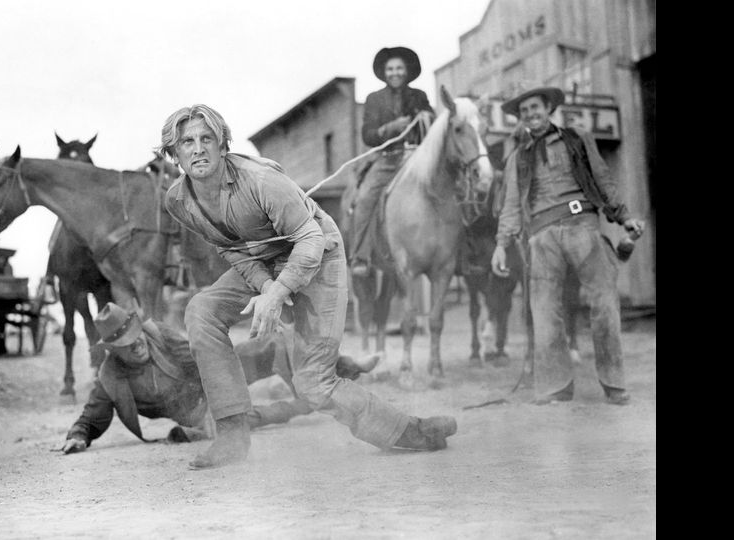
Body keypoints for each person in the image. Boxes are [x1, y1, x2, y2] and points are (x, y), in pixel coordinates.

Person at [159, 104, 457, 469]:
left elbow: (310, 239)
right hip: (265, 261)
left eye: (207, 139)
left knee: (312, 383)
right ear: (173, 153)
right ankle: (232, 434)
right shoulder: (178, 200)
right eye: (186, 142)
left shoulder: (261, 180)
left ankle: (412, 431)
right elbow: (229, 248)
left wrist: (277, 292)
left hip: (318, 254)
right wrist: (266, 286)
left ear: (223, 145)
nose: (198, 149)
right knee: (201, 310)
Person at [490, 82, 645, 406]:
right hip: (542, 237)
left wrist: (623, 216)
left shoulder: (577, 138)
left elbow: (602, 178)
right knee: (544, 310)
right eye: (524, 110)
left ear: (549, 108)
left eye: (535, 107)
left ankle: (614, 384)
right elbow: (512, 205)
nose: (530, 114)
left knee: (605, 303)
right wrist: (502, 243)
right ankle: (554, 387)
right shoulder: (517, 157)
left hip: (582, 226)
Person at [61, 302, 380, 454]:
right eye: (127, 345)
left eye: (136, 334)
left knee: (272, 344)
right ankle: (307, 404)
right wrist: (78, 435)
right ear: (114, 351)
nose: (137, 344)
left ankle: (347, 367)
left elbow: (198, 354)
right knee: (249, 417)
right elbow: (91, 416)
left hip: (209, 377)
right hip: (198, 415)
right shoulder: (111, 378)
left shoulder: (157, 333)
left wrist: (226, 376)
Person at [349, 46, 435, 277]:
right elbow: (367, 135)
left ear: (406, 71)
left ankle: (461, 253)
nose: (395, 73)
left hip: (416, 158)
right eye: (390, 69)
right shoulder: (374, 99)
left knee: (446, 187)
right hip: (388, 159)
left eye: (399, 68)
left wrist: (427, 117)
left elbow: (433, 122)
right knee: (365, 198)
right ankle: (360, 256)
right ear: (384, 72)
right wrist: (390, 128)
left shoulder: (419, 96)